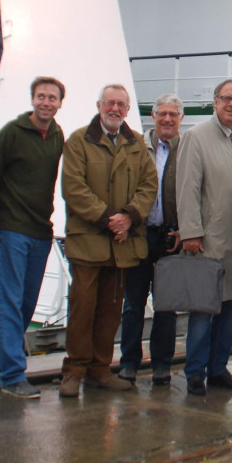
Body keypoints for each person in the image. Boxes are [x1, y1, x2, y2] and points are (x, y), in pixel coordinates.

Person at [58, 84, 158, 398]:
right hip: (89, 240)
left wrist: (129, 216)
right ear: (99, 105)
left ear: (128, 110)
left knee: (111, 310)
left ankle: (100, 370)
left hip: (121, 243)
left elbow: (148, 185)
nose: (115, 109)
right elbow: (73, 187)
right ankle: (74, 371)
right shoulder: (78, 141)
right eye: (110, 103)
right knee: (82, 308)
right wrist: (108, 218)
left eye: (121, 104)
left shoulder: (136, 144)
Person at [176, 79, 232, 397]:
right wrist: (191, 233)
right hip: (208, 241)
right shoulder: (196, 138)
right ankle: (195, 372)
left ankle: (218, 368)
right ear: (215, 101)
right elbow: (187, 188)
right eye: (226, 98)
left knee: (231, 309)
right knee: (204, 309)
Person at [0, 76, 66, 399]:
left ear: (60, 103)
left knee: (26, 303)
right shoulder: (11, 134)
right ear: (32, 99)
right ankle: (12, 375)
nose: (46, 102)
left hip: (40, 230)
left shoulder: (57, 136)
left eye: (52, 98)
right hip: (11, 229)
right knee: (9, 299)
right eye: (41, 96)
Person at [118, 94, 183, 387]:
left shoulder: (188, 150)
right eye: (162, 114)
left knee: (166, 305)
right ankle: (129, 362)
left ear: (180, 119)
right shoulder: (137, 148)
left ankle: (161, 365)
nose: (167, 119)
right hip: (140, 234)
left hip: (171, 236)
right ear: (152, 116)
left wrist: (186, 228)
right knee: (133, 303)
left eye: (173, 114)